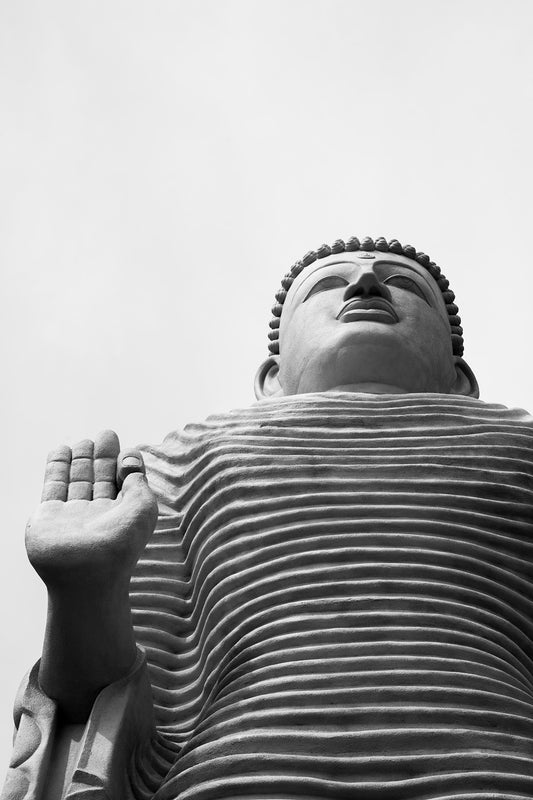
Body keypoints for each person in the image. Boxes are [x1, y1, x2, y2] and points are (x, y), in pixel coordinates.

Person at [4, 236, 533, 799]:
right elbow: (120, 707)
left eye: (403, 284)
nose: (366, 284)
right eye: (327, 285)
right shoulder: (185, 461)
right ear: (272, 380)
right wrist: (85, 591)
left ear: (461, 380)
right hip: (235, 779)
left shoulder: (520, 448)